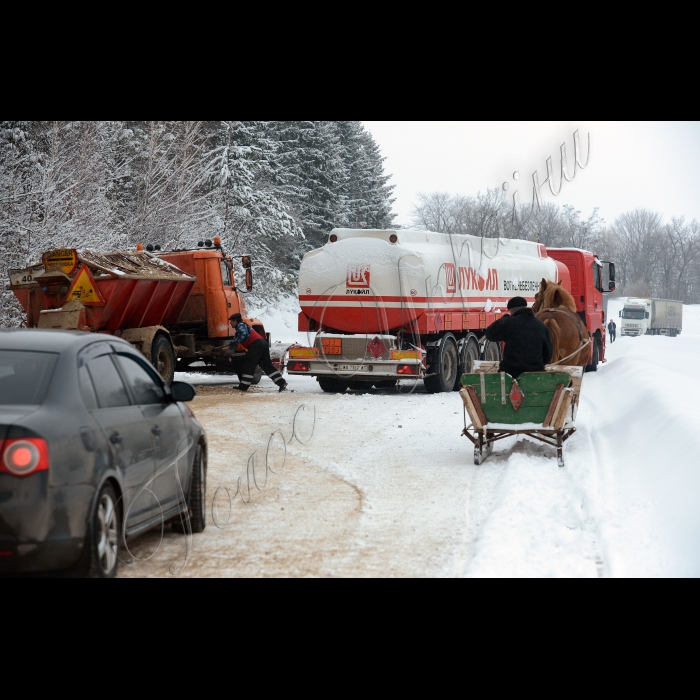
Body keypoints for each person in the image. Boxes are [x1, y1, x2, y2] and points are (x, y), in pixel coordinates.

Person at [484, 297, 553, 378]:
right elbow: (548, 353)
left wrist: (503, 320)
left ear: (511, 311)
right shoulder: (541, 325)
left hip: (511, 374)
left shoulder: (509, 322)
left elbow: (489, 334)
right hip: (536, 373)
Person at [226, 313, 287, 392]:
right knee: (267, 366)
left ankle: (243, 386)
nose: (230, 323)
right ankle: (282, 383)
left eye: (231, 321)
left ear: (235, 320)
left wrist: (237, 341)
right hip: (263, 344)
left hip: (256, 345)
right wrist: (226, 348)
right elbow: (234, 342)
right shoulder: (242, 327)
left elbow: (242, 335)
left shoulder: (240, 325)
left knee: (249, 365)